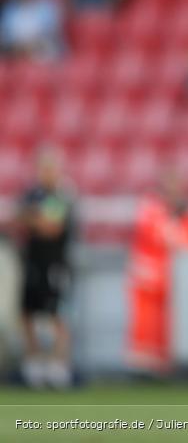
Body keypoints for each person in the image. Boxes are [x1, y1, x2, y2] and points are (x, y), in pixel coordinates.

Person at [126, 173, 188, 373]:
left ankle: (162, 366)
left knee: (168, 325)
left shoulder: (186, 213)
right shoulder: (150, 209)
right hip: (148, 276)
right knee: (146, 324)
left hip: (174, 278)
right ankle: (143, 367)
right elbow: (162, 235)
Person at [17, 150, 76, 388]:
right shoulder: (33, 194)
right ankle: (34, 364)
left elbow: (51, 227)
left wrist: (34, 217)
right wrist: (35, 218)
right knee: (28, 313)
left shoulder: (62, 195)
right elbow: (20, 218)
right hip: (33, 262)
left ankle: (57, 365)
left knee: (57, 315)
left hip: (55, 264)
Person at [0, 0, 64, 59]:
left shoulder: (48, 4)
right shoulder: (10, 7)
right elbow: (5, 35)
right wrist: (17, 47)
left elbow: (52, 31)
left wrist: (33, 45)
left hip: (42, 47)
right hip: (15, 50)